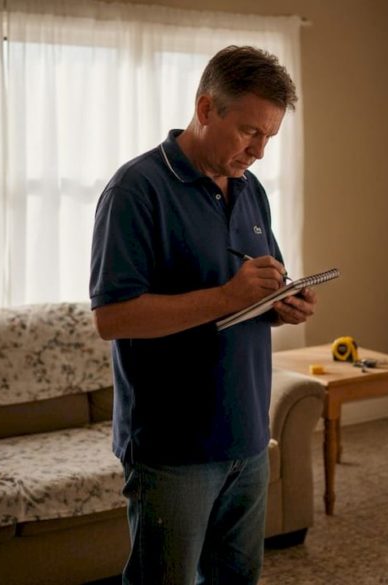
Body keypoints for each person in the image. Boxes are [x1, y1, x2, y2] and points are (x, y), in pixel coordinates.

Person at [89, 45, 316, 584]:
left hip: (247, 438)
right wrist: (227, 297)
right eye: (249, 132)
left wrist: (282, 305)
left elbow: (255, 288)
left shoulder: (250, 189)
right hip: (172, 448)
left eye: (269, 137)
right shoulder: (135, 190)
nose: (259, 151)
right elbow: (113, 318)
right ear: (206, 108)